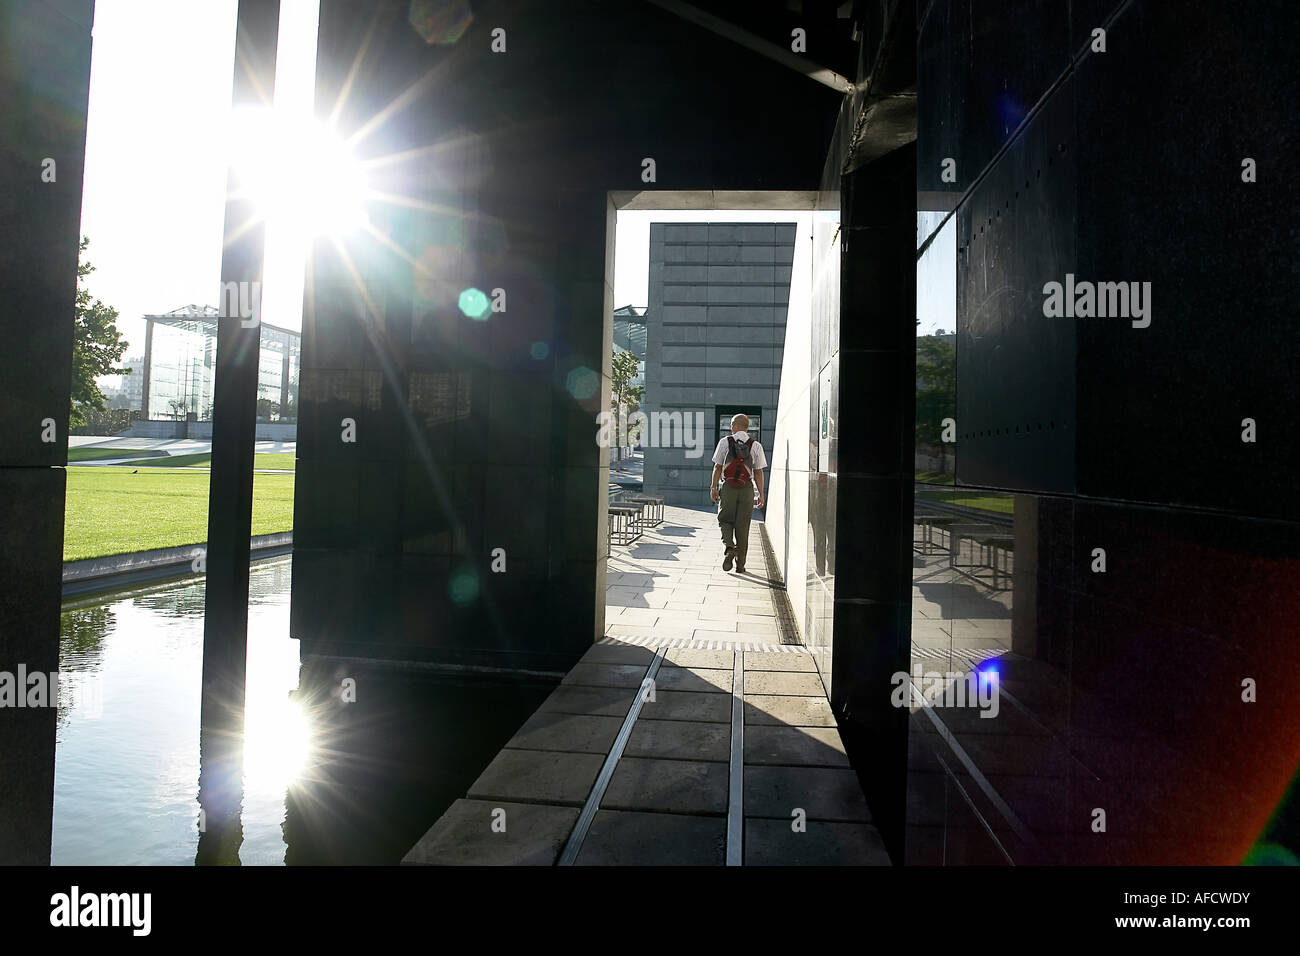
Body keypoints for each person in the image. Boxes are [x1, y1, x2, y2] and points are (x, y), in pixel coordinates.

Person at [710, 413, 766, 573]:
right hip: (747, 488)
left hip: (728, 487)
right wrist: (760, 494)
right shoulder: (755, 445)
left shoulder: (724, 442)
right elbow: (759, 472)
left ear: (734, 425)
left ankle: (729, 546)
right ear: (747, 427)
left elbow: (717, 467)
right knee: (743, 527)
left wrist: (713, 487)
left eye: (731, 424)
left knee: (724, 519)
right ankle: (740, 565)